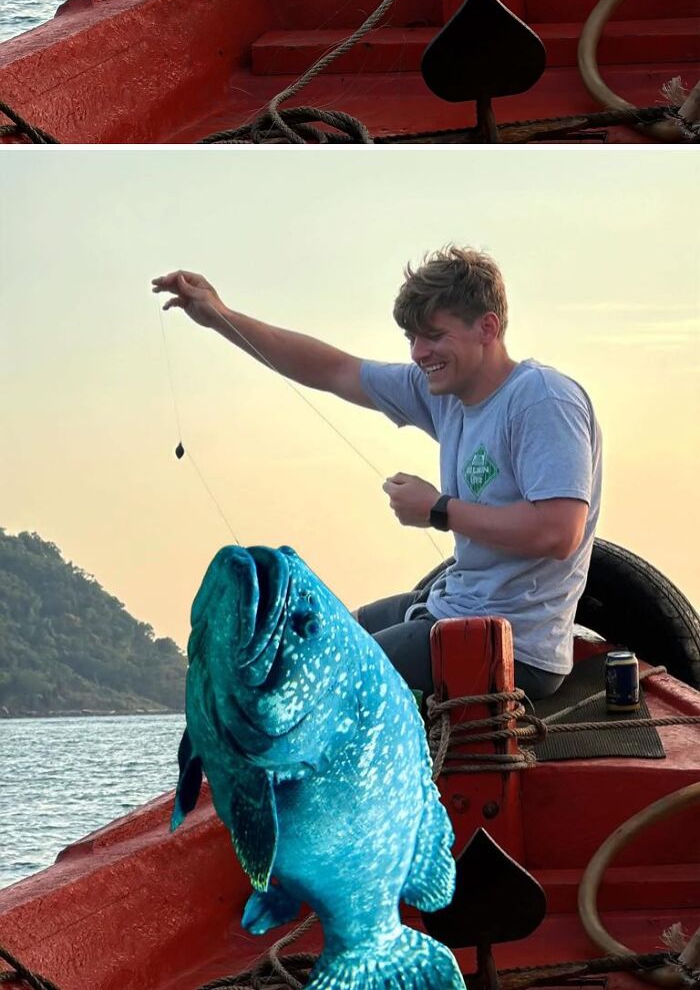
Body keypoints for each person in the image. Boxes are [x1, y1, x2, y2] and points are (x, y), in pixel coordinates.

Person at [152, 246, 602, 702]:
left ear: (487, 327)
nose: (419, 352)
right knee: (314, 640)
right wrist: (221, 317)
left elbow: (558, 531)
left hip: (513, 647)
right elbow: (335, 369)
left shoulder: (542, 399)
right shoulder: (443, 393)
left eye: (434, 336)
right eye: (412, 337)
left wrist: (438, 509)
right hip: (455, 606)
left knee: (318, 677)